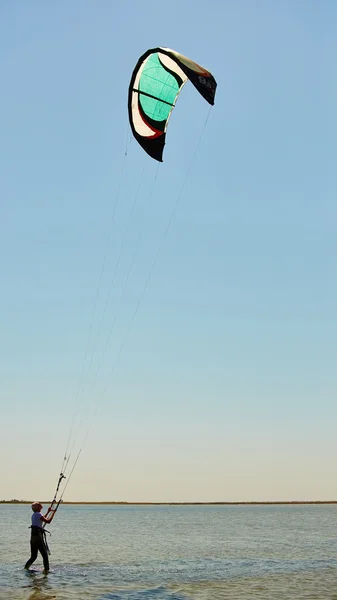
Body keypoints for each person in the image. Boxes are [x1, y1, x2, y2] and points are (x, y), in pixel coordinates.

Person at [24, 502, 56, 573]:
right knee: (45, 556)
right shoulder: (38, 514)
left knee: (33, 556)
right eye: (39, 504)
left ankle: (25, 568)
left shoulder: (34, 515)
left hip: (33, 538)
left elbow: (41, 519)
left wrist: (48, 512)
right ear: (38, 507)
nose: (40, 504)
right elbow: (48, 521)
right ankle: (46, 571)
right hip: (38, 538)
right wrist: (53, 513)